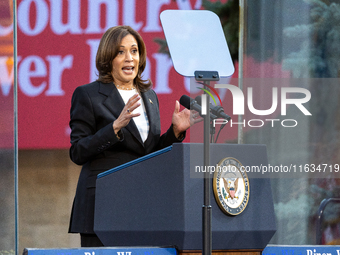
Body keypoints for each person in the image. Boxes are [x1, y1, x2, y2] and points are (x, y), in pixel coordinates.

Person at [68, 26, 194, 247]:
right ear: (108, 59)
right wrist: (114, 127)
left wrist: (175, 132)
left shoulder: (149, 96)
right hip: (103, 206)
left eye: (134, 51)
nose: (129, 58)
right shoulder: (87, 95)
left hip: (142, 206)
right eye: (120, 52)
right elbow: (77, 151)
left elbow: (151, 153)